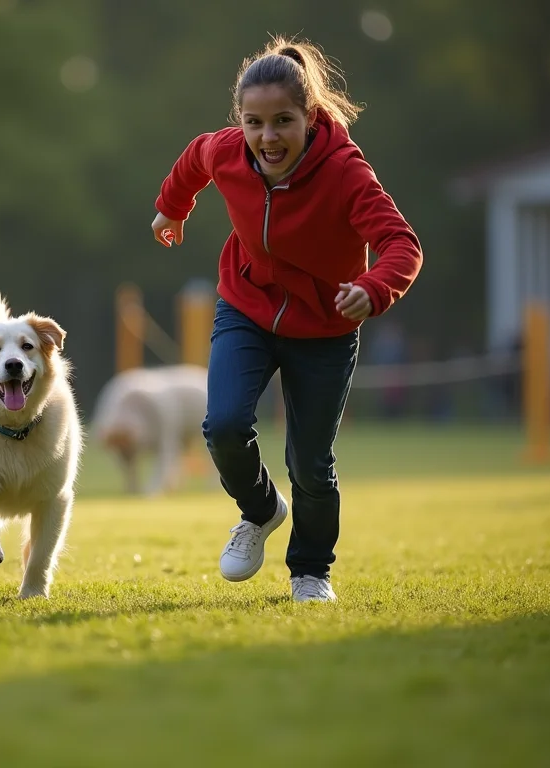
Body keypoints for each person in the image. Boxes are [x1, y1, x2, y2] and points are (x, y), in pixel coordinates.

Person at [151, 36, 423, 602]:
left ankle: (310, 572)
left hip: (324, 329)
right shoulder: (228, 150)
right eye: (254, 122)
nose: (267, 137)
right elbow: (195, 157)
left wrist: (373, 289)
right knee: (222, 425)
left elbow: (402, 244)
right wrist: (171, 209)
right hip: (246, 308)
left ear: (310, 116)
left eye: (282, 122)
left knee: (311, 463)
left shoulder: (346, 173)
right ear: (240, 121)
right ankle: (260, 510)